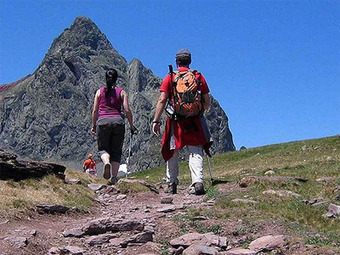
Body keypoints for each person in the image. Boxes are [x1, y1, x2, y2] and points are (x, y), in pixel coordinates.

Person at [152, 49, 212, 195]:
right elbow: (206, 99)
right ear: (189, 61)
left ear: (177, 61)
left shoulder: (170, 77)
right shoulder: (197, 76)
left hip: (175, 120)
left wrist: (156, 120)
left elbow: (162, 99)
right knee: (195, 150)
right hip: (194, 120)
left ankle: (172, 183)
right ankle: (198, 182)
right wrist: (201, 110)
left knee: (173, 150)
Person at [91, 68, 137, 184]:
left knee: (103, 149)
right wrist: (132, 125)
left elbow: (95, 110)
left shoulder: (99, 92)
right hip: (118, 122)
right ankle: (114, 177)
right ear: (116, 79)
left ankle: (106, 163)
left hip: (103, 122)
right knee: (116, 151)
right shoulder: (121, 92)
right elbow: (127, 109)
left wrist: (93, 125)